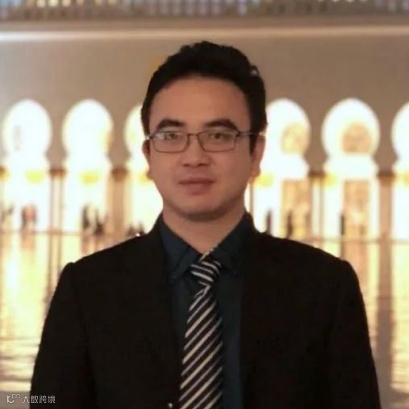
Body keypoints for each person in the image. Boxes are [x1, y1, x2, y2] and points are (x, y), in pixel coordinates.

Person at [30, 41, 381, 409]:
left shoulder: (324, 289)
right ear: (148, 155)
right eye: (171, 136)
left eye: (218, 136)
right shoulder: (88, 290)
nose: (194, 157)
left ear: (256, 153)